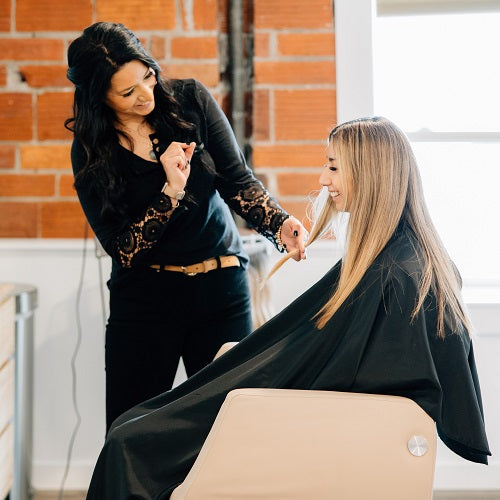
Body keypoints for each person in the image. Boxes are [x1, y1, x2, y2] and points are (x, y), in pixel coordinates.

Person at [86, 117, 490, 499]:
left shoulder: (395, 277)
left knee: (128, 443)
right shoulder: (398, 261)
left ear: (370, 173)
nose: (322, 179)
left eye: (333, 167)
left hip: (290, 418)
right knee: (131, 426)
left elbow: (369, 386)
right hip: (279, 402)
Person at [64, 22, 308, 432]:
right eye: (128, 92)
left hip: (221, 291)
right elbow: (124, 250)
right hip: (144, 302)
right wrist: (170, 192)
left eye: (147, 76)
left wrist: (280, 225)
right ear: (98, 96)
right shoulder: (91, 151)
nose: (146, 94)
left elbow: (237, 181)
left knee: (228, 431)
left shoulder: (190, 100)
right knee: (131, 433)